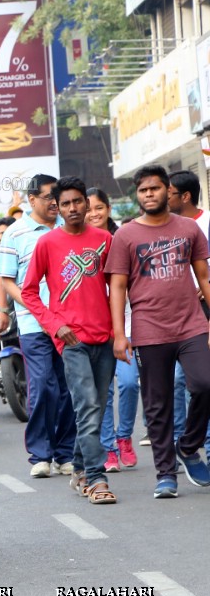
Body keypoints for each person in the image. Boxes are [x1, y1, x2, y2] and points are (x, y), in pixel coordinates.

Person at [107, 165, 210, 499]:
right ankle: (166, 473)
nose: (149, 194)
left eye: (154, 188)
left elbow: (204, 277)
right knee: (157, 404)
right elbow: (118, 285)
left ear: (168, 190)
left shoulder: (189, 229)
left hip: (192, 324)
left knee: (205, 383)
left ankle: (189, 444)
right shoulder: (125, 235)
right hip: (149, 330)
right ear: (137, 195)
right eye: (143, 190)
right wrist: (119, 334)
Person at [21, 177, 117, 504]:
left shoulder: (105, 240)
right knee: (88, 405)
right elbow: (29, 292)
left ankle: (78, 467)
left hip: (105, 337)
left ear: (87, 204)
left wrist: (120, 331)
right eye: (66, 204)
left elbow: (117, 290)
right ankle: (96, 477)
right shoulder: (47, 244)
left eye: (78, 201)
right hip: (72, 341)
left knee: (96, 408)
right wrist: (54, 324)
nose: (73, 208)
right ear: (57, 208)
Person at [0, 175, 77, 478]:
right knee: (43, 386)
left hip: (70, 322)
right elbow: (7, 280)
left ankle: (65, 452)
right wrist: (35, 308)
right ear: (32, 200)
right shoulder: (15, 234)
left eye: (59, 196)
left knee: (68, 387)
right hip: (33, 323)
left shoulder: (68, 230)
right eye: (49, 197)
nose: (56, 202)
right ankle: (40, 454)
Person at [87, 188, 138, 471]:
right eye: (89, 208)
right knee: (102, 391)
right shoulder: (80, 244)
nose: (94, 214)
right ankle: (107, 447)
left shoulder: (124, 240)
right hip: (96, 329)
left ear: (108, 209)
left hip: (128, 325)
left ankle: (124, 438)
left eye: (99, 208)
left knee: (130, 384)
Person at [165, 170, 210, 451]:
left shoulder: (206, 222)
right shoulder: (167, 226)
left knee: (200, 380)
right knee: (178, 380)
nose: (163, 198)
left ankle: (202, 444)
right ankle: (181, 443)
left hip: (203, 308)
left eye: (168, 193)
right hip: (176, 313)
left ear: (185, 196)